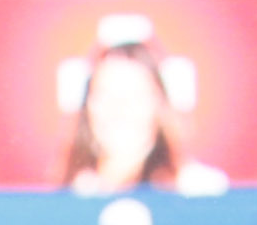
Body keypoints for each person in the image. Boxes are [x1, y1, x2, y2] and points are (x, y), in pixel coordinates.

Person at [58, 27, 219, 196]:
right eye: (105, 94)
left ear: (159, 104)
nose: (119, 108)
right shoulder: (71, 194)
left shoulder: (199, 190)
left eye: (136, 94)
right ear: (88, 106)